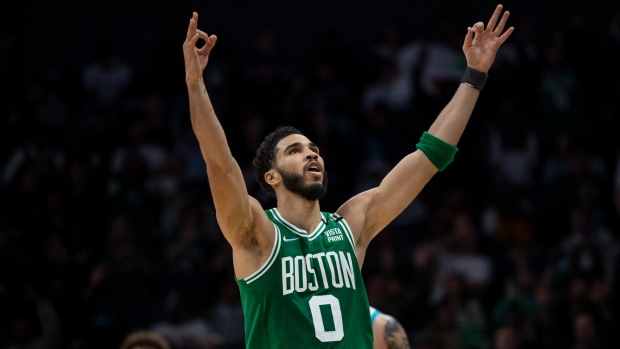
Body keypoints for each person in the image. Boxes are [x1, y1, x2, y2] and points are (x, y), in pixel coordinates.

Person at [182, 4, 514, 348]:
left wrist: (474, 75)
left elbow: (430, 156)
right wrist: (194, 83)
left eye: (313, 148)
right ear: (271, 177)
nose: (311, 153)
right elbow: (220, 163)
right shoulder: (257, 234)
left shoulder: (352, 224)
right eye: (294, 151)